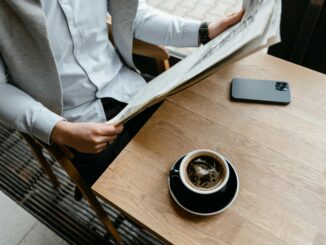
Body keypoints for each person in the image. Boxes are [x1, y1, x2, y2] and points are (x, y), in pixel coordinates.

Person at [0, 0, 243, 195]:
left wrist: (203, 32)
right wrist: (59, 130)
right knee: (142, 195)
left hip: (127, 87)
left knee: (195, 141)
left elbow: (134, 16)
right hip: (71, 119)